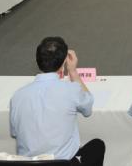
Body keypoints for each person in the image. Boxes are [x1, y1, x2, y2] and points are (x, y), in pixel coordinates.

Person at [10, 37, 104, 165]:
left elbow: (15, 133)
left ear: (37, 61)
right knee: (97, 146)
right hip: (63, 162)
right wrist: (73, 71)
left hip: (29, 164)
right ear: (64, 61)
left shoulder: (18, 96)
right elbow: (88, 109)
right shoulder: (71, 90)